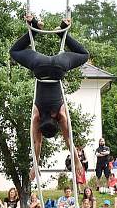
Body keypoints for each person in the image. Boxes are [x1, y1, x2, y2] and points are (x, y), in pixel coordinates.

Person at [11, 15, 89, 186]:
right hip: (39, 66)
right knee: (14, 51)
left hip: (58, 67)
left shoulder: (59, 114)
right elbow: (37, 142)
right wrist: (35, 164)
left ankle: (61, 31)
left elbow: (69, 140)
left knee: (84, 55)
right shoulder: (36, 116)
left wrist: (76, 161)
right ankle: (34, 28)